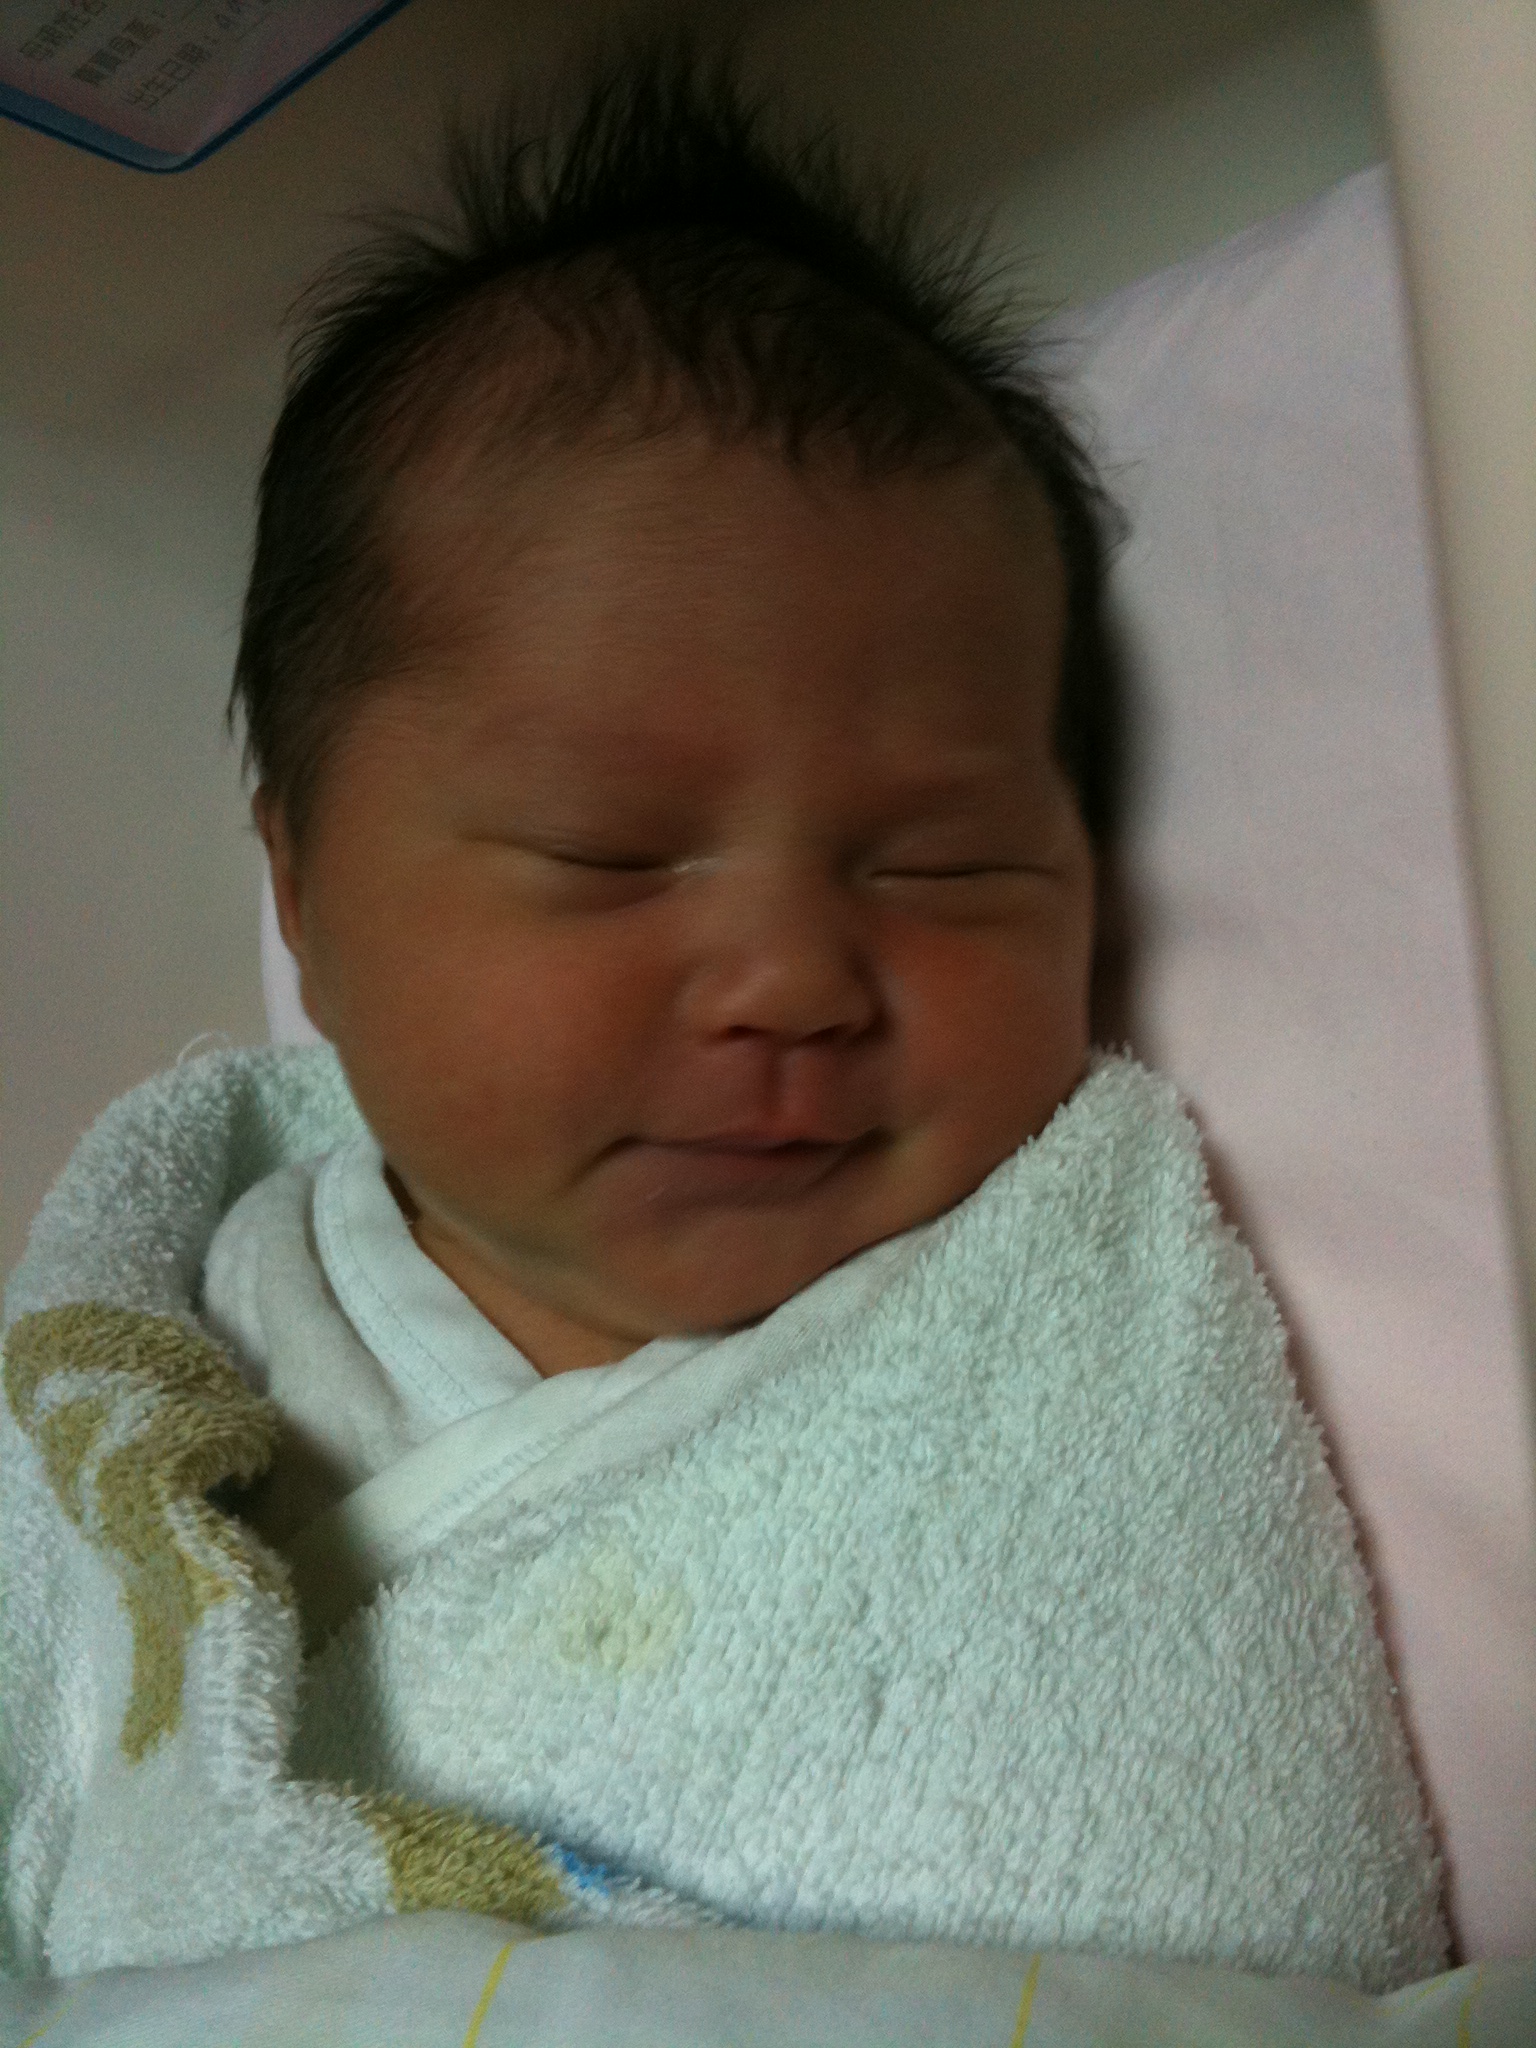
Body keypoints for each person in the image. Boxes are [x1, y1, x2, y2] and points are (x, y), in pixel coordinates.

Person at [1, 37, 1446, 2013]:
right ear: (305, 904)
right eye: (607, 852)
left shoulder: (1071, 1324)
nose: (791, 979)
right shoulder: (169, 1330)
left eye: (941, 862)